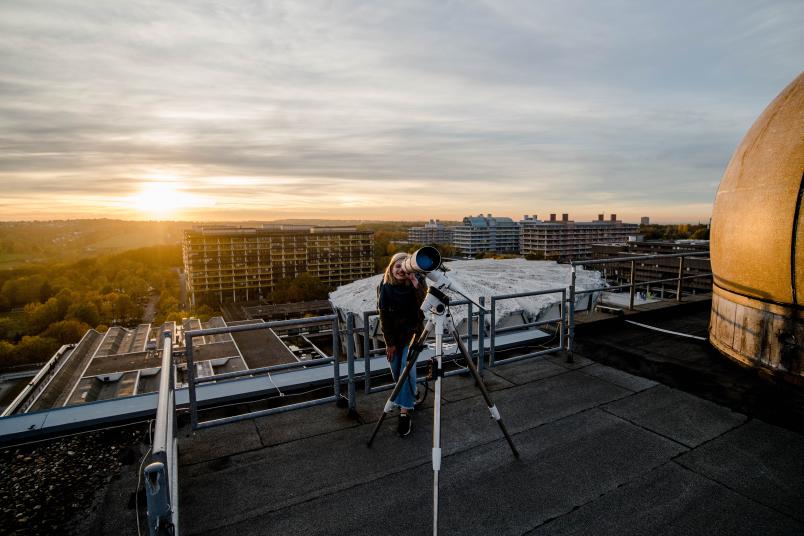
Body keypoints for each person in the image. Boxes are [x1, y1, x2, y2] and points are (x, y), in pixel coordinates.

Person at [377, 252, 427, 436]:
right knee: (397, 370)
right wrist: (389, 343)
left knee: (405, 371)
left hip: (412, 335)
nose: (400, 269)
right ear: (390, 268)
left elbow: (425, 307)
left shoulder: (417, 284)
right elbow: (384, 316)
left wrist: (415, 282)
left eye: (403, 266)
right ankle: (412, 393)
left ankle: (404, 413)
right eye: (396, 266)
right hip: (394, 337)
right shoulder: (384, 287)